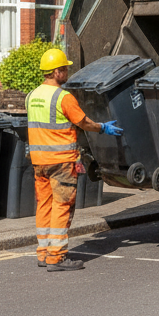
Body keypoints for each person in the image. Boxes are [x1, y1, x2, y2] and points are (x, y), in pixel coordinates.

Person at [27, 48, 123, 272]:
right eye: (65, 69)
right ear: (57, 71)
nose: (68, 72)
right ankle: (56, 257)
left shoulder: (31, 96)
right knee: (62, 207)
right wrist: (103, 128)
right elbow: (84, 122)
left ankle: (43, 253)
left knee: (44, 206)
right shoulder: (63, 97)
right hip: (61, 162)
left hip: (39, 162)